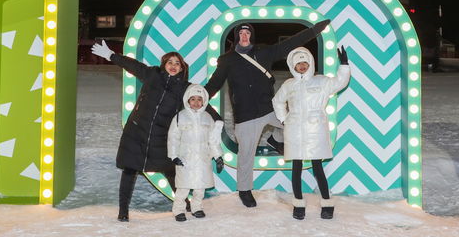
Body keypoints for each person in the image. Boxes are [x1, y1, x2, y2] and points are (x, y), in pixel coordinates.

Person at [204, 19, 330, 207]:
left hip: (268, 108)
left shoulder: (263, 52)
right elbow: (213, 84)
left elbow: (289, 44)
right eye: (240, 33)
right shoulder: (227, 61)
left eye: (247, 33)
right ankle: (244, 190)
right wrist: (195, 97)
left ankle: (275, 138)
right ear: (237, 37)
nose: (244, 36)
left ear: (251, 36)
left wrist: (314, 30)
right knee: (246, 154)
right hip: (245, 114)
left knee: (295, 122)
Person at [91, 40, 221, 222]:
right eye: (170, 62)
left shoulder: (185, 88)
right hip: (136, 132)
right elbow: (133, 65)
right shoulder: (153, 75)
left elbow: (203, 102)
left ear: (182, 67)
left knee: (171, 171)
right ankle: (123, 211)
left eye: (177, 63)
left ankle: (186, 205)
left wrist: (218, 120)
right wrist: (111, 55)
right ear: (164, 64)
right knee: (129, 169)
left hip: (162, 136)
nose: (173, 66)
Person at [272, 46, 350, 220]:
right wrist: (284, 119)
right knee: (296, 168)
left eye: (305, 62)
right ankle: (298, 204)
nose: (302, 66)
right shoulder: (289, 85)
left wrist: (344, 65)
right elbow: (277, 101)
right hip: (295, 132)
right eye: (298, 63)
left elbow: (340, 82)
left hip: (316, 131)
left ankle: (327, 203)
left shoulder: (321, 82)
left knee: (317, 168)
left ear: (311, 63)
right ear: (293, 66)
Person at [167, 84, 225, 221]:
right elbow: (173, 137)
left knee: (200, 188)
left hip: (203, 159)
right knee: (183, 188)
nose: (196, 102)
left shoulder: (207, 118)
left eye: (199, 99)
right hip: (185, 158)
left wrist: (218, 156)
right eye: (193, 99)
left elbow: (213, 140)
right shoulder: (180, 117)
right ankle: (179, 210)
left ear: (204, 101)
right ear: (187, 100)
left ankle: (197, 207)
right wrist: (174, 155)